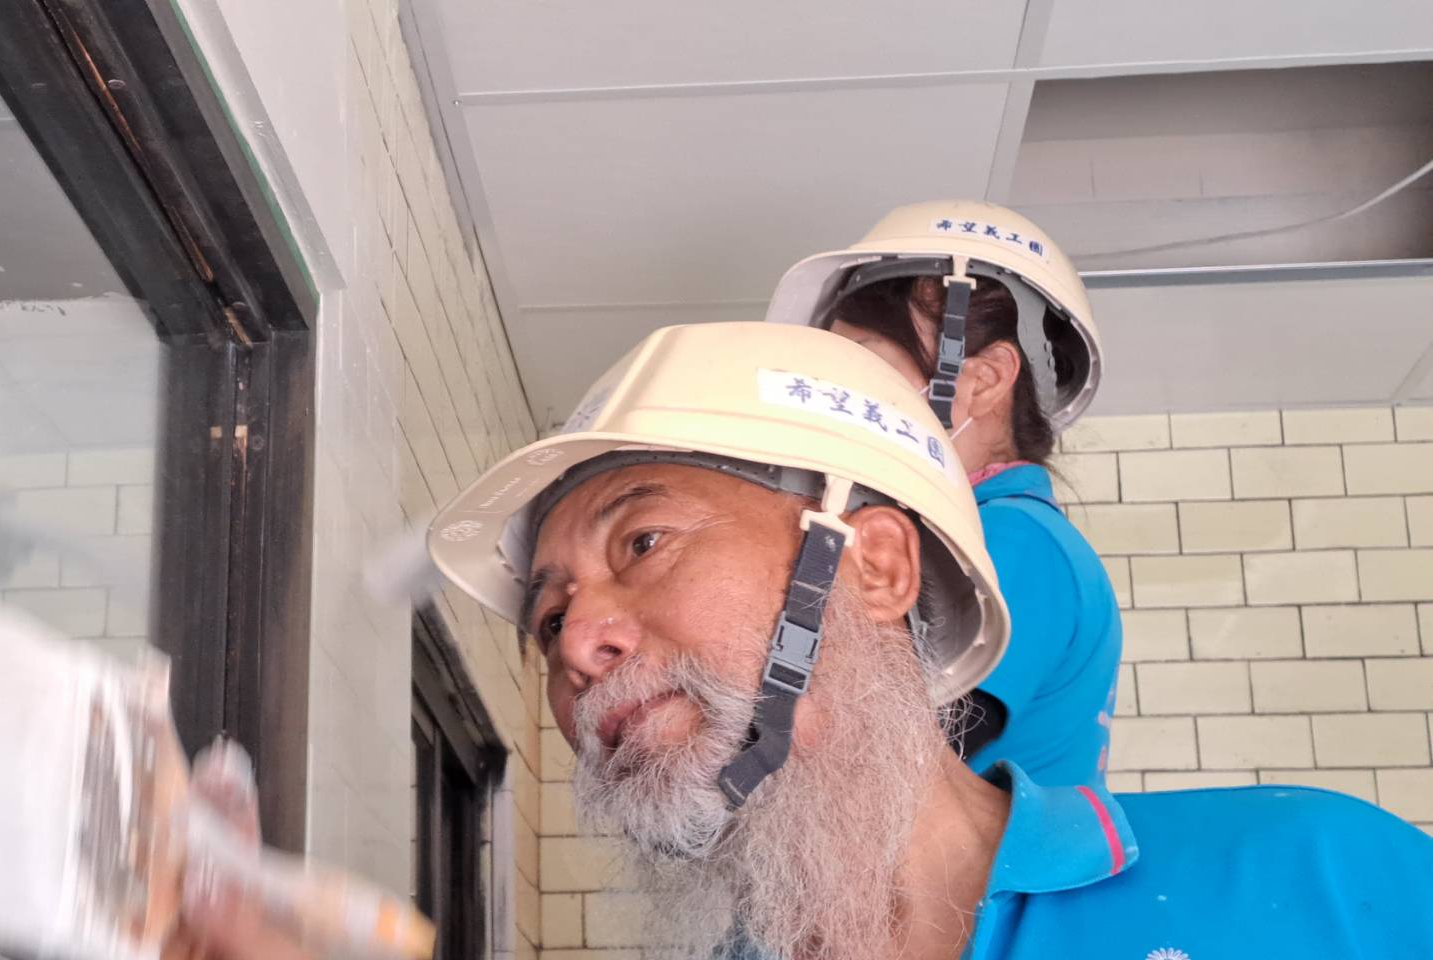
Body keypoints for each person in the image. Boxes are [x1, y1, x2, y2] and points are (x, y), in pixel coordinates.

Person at [407, 322, 1430, 960]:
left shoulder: (1317, 875)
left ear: (873, 565)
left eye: (643, 541)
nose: (576, 645)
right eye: (548, 620)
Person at [766, 200, 1118, 785]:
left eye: (869, 369)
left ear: (984, 380)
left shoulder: (1013, 539)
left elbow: (883, 762)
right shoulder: (980, 533)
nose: (845, 398)